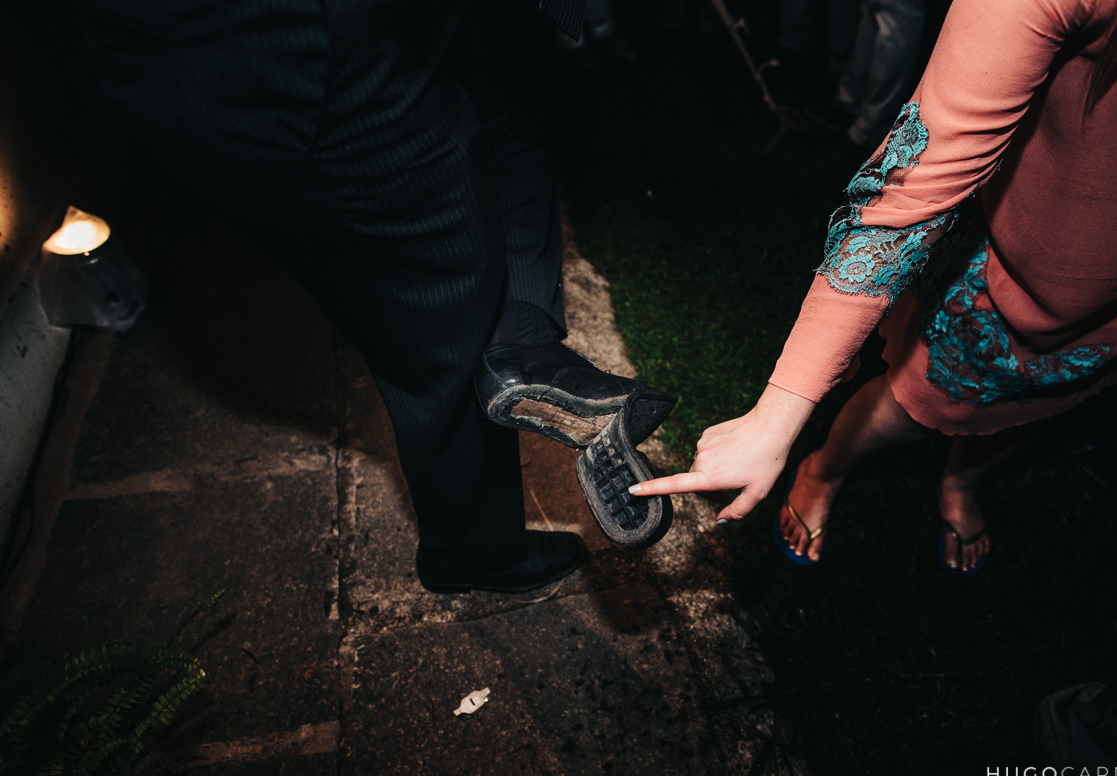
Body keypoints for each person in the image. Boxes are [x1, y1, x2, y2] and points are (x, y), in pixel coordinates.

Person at [73, 0, 674, 594]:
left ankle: (520, 340)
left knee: (510, 103)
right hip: (303, 61)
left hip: (264, 54)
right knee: (442, 320)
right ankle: (474, 553)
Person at [631, 0, 1117, 574]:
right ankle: (824, 469)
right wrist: (777, 416)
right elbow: (912, 184)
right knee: (905, 405)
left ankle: (960, 481)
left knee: (1026, 415)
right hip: (995, 281)